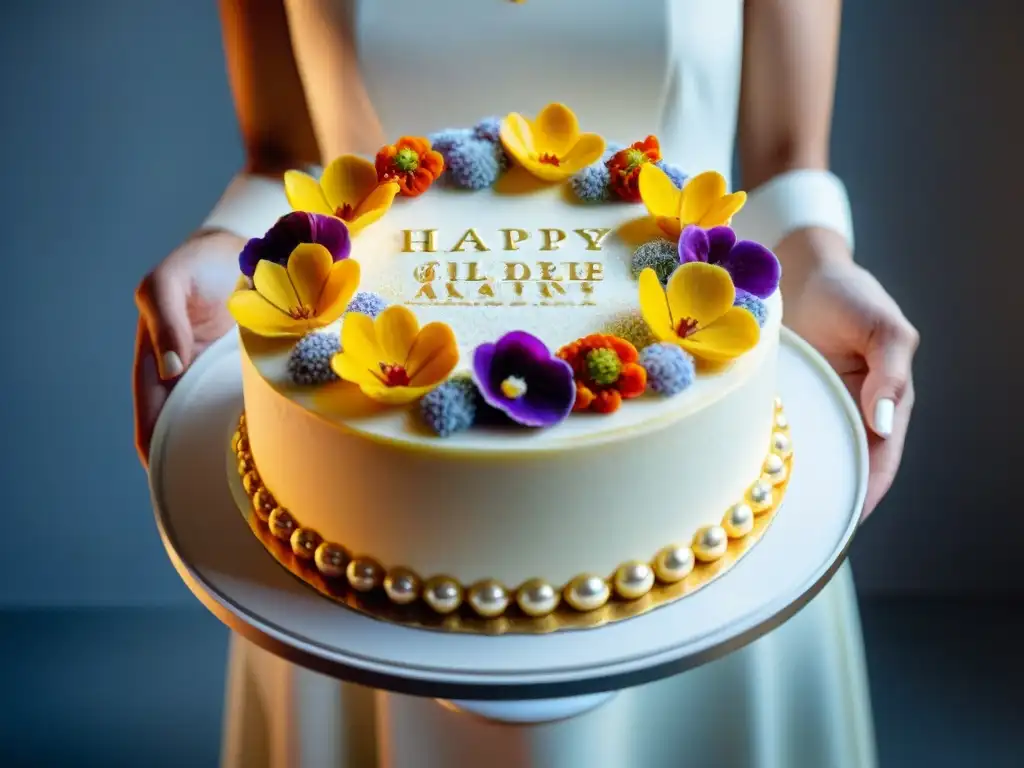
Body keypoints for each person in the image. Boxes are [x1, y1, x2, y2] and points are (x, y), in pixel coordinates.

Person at [134, 1, 915, 765]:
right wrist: (228, 246)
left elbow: (787, 159)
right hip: (360, 485)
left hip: (696, 451)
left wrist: (822, 267)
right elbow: (285, 155)